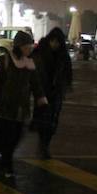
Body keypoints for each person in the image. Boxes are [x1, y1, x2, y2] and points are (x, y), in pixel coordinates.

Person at [0, 31, 48, 178]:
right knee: (5, 137)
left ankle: (3, 158)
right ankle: (6, 164)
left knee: (16, 136)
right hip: (4, 108)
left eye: (31, 46)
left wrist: (42, 100)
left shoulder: (29, 63)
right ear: (19, 46)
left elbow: (36, 84)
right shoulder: (5, 61)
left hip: (22, 109)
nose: (30, 49)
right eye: (27, 46)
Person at [31, 27, 73, 159]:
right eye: (53, 41)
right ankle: (42, 145)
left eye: (58, 42)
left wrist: (64, 86)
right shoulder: (39, 52)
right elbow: (33, 72)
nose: (55, 44)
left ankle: (44, 145)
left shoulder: (63, 56)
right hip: (42, 91)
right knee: (43, 120)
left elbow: (67, 74)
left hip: (56, 93)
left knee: (52, 122)